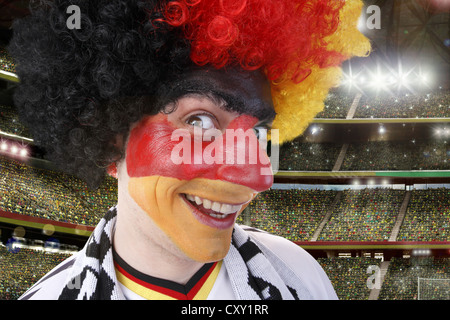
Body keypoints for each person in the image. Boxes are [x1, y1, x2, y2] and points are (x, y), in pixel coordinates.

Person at [9, 0, 370, 300]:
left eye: (258, 132)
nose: (258, 176)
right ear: (111, 135)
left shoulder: (302, 277)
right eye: (199, 122)